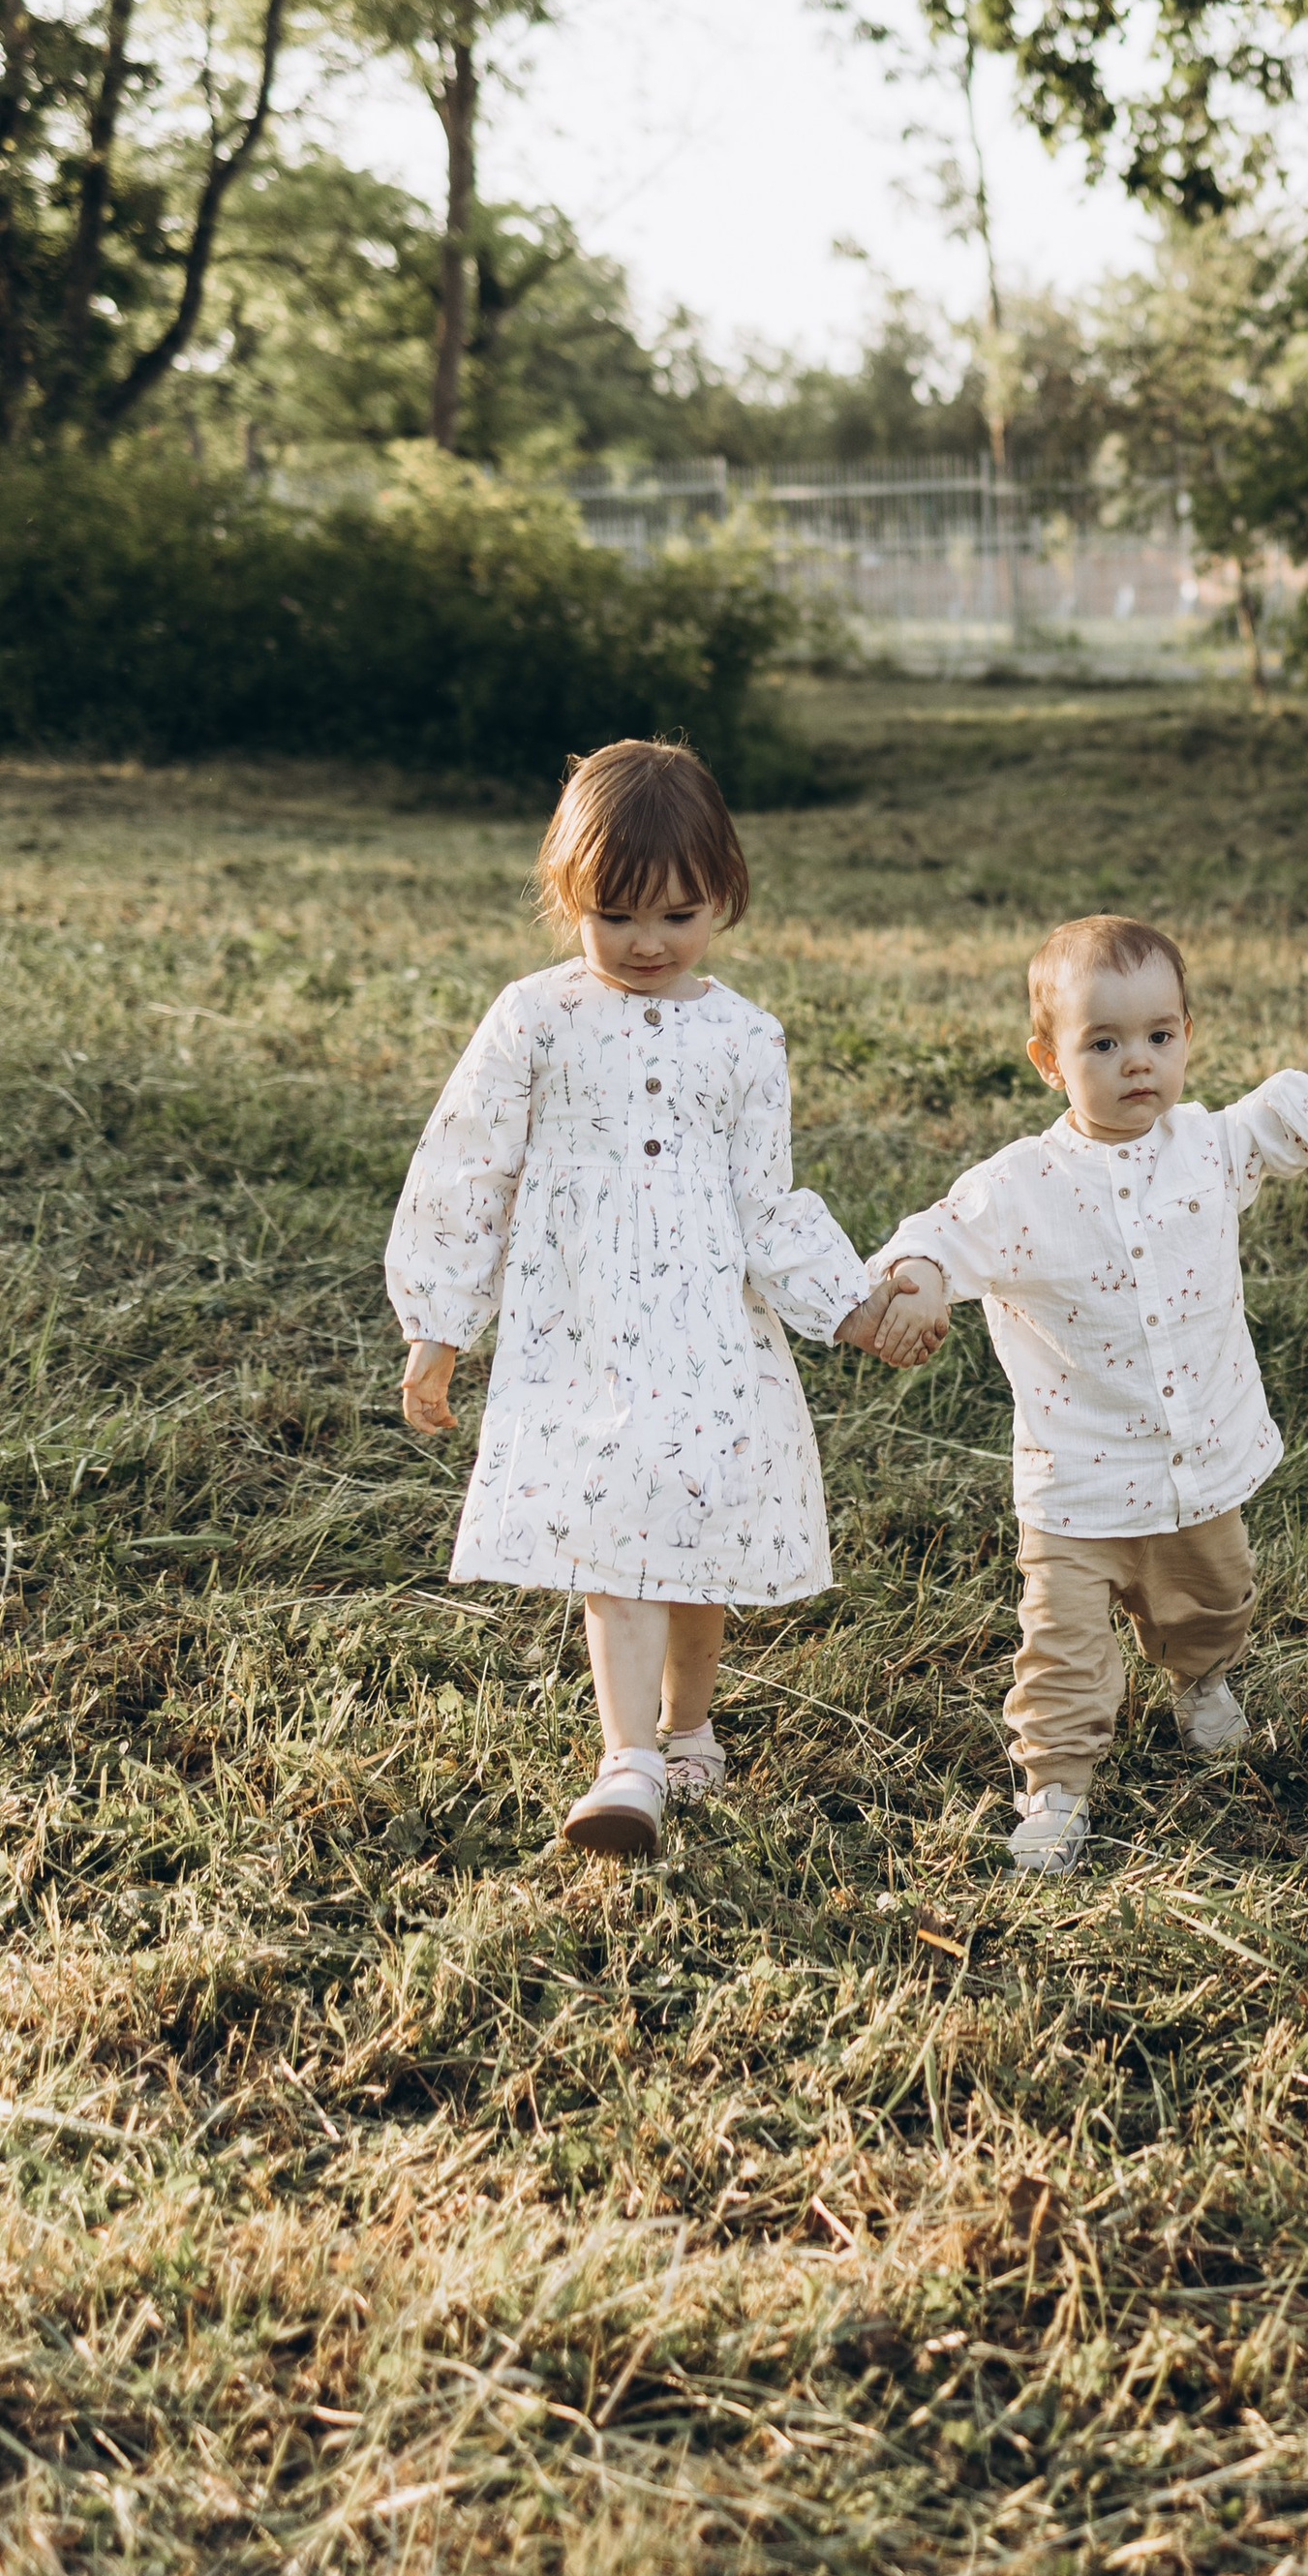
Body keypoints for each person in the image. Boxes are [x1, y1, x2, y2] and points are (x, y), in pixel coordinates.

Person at [387, 738, 918, 1859]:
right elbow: (466, 1165)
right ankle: (626, 1760)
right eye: (615, 914)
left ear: (720, 896)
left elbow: (764, 1201)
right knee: (610, 1530)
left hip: (710, 1330)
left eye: (676, 915)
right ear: (566, 895)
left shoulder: (745, 1036)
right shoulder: (535, 1017)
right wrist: (438, 1329)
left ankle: (688, 1726)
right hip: (575, 1325)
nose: (645, 942)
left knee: (695, 1525)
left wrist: (853, 1304)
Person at [867, 914, 1308, 1876]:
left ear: (1186, 1039)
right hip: (1077, 1481)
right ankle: (1055, 1788)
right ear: (1050, 1060)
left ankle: (1201, 1681)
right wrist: (913, 1286)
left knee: (1212, 1601)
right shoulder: (1020, 1185)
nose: (1138, 1062)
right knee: (1064, 1646)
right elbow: (931, 1239)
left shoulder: (1210, 1148)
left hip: (1199, 1460)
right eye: (1104, 1042)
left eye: (1159, 1037)